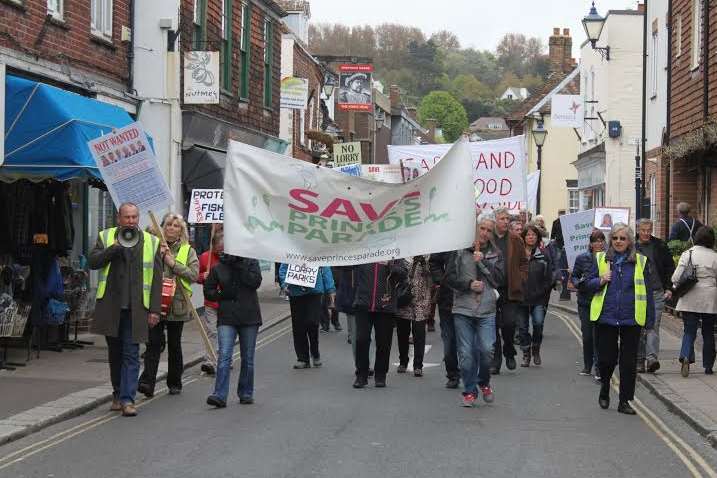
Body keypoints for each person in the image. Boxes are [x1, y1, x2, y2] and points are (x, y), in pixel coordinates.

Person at [88, 203, 162, 417]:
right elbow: (92, 262)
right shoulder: (106, 236)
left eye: (134, 217)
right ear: (118, 218)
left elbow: (157, 280)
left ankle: (128, 400)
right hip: (112, 308)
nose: (131, 221)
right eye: (127, 217)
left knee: (131, 353)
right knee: (115, 354)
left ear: (138, 218)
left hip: (137, 309)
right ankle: (117, 393)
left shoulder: (151, 242)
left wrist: (155, 310)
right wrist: (114, 249)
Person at [585, 223, 655, 415]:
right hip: (606, 318)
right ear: (611, 241)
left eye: (622, 238)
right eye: (615, 238)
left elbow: (647, 293)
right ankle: (605, 386)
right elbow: (586, 284)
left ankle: (624, 401)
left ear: (630, 241)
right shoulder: (600, 259)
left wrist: (650, 321)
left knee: (628, 363)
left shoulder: (641, 261)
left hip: (631, 319)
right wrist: (600, 280)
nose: (618, 241)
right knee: (606, 360)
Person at [446, 213, 503, 407]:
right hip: (463, 309)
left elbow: (498, 281)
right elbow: (450, 278)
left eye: (489, 230)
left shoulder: (495, 253)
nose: (485, 233)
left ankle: (484, 382)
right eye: (482, 228)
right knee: (466, 354)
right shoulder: (460, 250)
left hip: (487, 309)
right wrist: (469, 284)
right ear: (475, 228)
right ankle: (469, 390)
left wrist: (484, 262)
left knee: (487, 351)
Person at [138, 213, 199, 397]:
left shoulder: (188, 251)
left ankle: (174, 382)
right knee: (153, 343)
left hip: (176, 303)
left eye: (176, 225)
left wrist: (172, 263)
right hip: (155, 302)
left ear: (181, 230)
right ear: (162, 227)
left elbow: (193, 275)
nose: (171, 228)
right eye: (168, 224)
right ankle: (147, 383)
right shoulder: (153, 245)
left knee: (174, 344)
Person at [203, 253, 263, 408]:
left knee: (247, 358)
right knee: (224, 356)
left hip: (249, 316)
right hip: (227, 316)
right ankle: (220, 395)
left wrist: (241, 266)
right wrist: (220, 295)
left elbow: (255, 282)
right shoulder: (219, 267)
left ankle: (246, 393)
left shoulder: (251, 262)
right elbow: (208, 290)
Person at [351, 260, 408, 388]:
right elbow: (345, 264)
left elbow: (403, 274)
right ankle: (361, 375)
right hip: (363, 304)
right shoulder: (363, 248)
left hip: (385, 305)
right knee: (361, 339)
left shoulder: (393, 251)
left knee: (383, 342)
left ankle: (381, 375)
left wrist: (391, 265)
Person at [672, 226, 717, 377]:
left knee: (689, 331)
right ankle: (708, 366)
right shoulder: (714, 256)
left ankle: (685, 356)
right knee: (708, 332)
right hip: (709, 298)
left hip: (690, 296)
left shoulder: (688, 253)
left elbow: (675, 278)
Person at [491, 207, 529, 374]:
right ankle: (496, 359)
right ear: (495, 220)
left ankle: (508, 350)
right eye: (502, 218)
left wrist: (521, 278)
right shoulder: (487, 238)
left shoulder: (515, 239)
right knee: (492, 326)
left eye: (507, 219)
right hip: (491, 289)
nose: (506, 221)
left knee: (509, 323)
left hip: (510, 289)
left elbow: (523, 262)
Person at [635, 219, 675, 373]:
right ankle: (639, 360)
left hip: (657, 292)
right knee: (639, 327)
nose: (646, 233)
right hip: (638, 293)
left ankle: (652, 359)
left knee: (653, 326)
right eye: (643, 230)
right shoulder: (632, 247)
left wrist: (669, 288)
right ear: (638, 230)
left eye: (648, 230)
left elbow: (670, 267)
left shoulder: (660, 246)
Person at [279, 265, 335, 369]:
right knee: (298, 326)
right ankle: (302, 358)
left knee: (313, 323)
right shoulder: (292, 250)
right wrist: (284, 284)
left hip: (315, 292)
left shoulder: (316, 251)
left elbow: (326, 269)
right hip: (295, 293)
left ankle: (315, 353)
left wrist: (330, 289)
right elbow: (284, 267)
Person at [571, 229, 606, 378]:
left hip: (601, 301)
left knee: (598, 336)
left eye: (601, 240)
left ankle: (599, 368)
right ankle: (587, 366)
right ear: (590, 244)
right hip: (585, 302)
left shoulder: (608, 258)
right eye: (595, 241)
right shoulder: (582, 258)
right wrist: (578, 283)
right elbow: (574, 276)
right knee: (587, 336)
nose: (598, 243)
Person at [518, 223, 554, 367]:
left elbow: (549, 277)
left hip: (538, 298)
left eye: (533, 234)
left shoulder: (544, 255)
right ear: (524, 237)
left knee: (538, 324)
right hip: (520, 298)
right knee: (522, 328)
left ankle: (536, 349)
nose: (531, 237)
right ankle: (526, 353)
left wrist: (543, 291)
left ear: (537, 237)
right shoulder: (518, 255)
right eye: (528, 234)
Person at [395, 256, 432, 377]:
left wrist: (422, 262)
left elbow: (431, 278)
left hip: (421, 300)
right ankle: (403, 362)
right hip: (404, 298)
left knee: (419, 333)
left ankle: (418, 365)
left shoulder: (428, 257)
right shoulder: (401, 256)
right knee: (402, 333)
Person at [429, 251, 460, 388]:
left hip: (469, 300)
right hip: (447, 299)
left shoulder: (474, 240)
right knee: (449, 341)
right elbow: (434, 261)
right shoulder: (447, 239)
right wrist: (441, 280)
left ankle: (470, 372)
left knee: (467, 342)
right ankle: (452, 374)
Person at [197, 230, 224, 376]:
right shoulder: (205, 257)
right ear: (213, 246)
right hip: (210, 303)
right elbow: (196, 276)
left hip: (227, 302)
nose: (220, 253)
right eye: (218, 250)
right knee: (211, 332)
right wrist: (203, 276)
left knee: (225, 333)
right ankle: (210, 361)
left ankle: (226, 359)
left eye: (223, 250)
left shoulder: (229, 257)